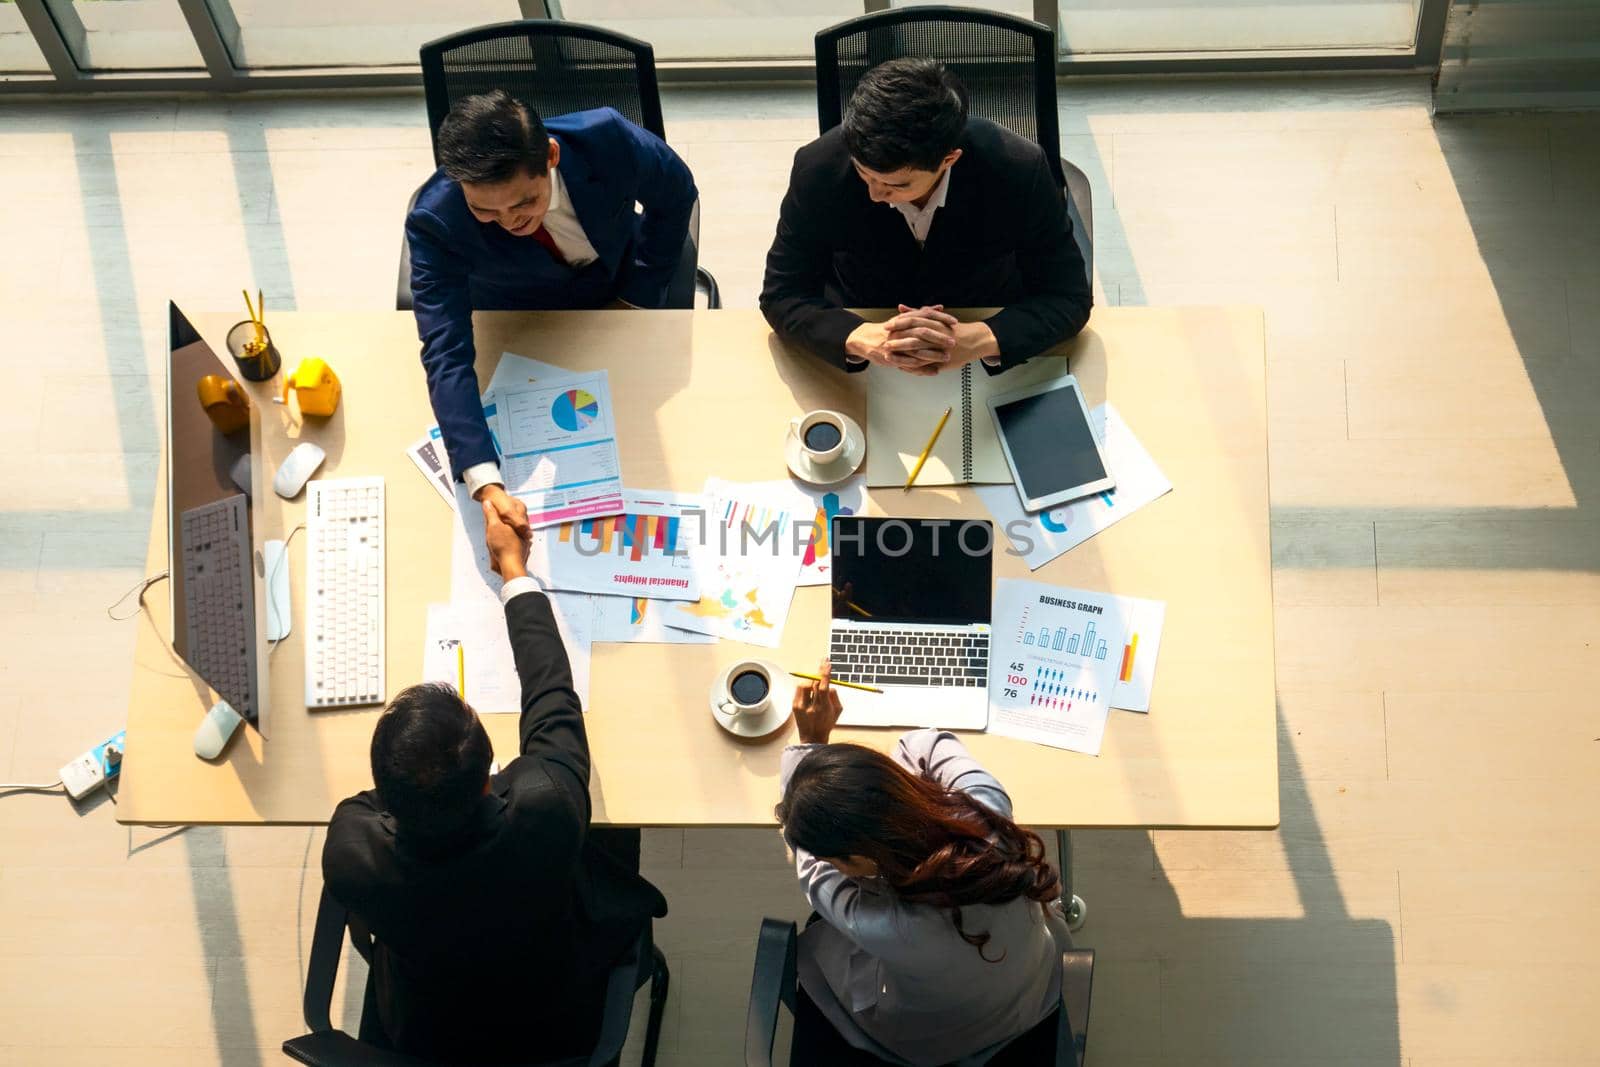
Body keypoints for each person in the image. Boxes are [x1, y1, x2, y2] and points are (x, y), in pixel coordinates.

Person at [321, 500, 667, 1062]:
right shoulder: (545, 810)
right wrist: (515, 573)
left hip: (426, 1032)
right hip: (559, 1024)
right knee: (616, 836)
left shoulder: (351, 853)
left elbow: (365, 806)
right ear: (488, 779)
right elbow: (553, 702)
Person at [408, 89, 698, 538]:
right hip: (524, 322)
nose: (509, 221)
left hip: (619, 287)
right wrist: (484, 480)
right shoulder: (435, 218)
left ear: (551, 156)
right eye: (484, 209)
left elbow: (677, 193)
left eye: (523, 202)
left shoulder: (607, 139)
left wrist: (639, 294)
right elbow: (445, 348)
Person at [775, 661, 1070, 1066]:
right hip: (1028, 987)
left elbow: (810, 870)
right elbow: (927, 743)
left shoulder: (884, 924)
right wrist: (877, 792)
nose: (833, 868)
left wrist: (811, 741)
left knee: (818, 956)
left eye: (837, 861)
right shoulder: (986, 809)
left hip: (944, 1033)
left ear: (861, 858)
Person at [760, 58, 1091, 378]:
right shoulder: (818, 167)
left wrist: (979, 339)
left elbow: (1069, 296)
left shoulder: (1019, 169)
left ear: (949, 159)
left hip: (980, 331)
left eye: (896, 184)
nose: (874, 194)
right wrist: (860, 337)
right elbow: (782, 294)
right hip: (867, 340)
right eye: (864, 173)